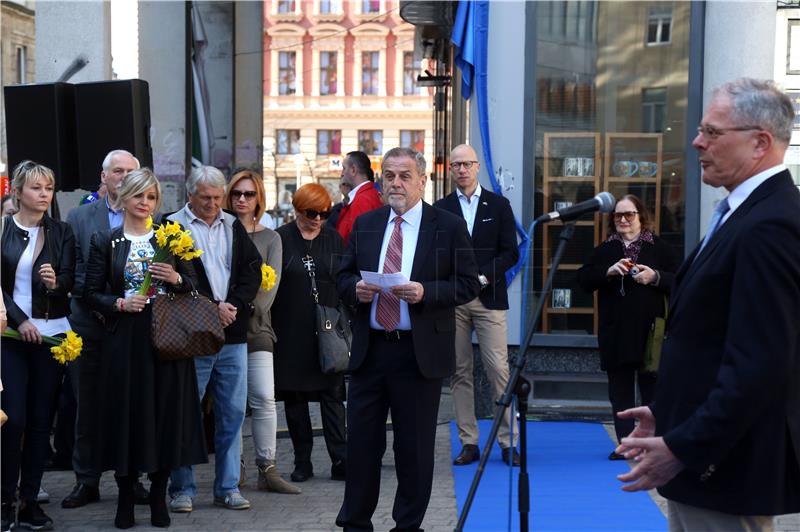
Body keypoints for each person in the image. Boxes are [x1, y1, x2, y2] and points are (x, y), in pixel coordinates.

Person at [617, 78, 800, 529]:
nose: (698, 142)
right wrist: (667, 413)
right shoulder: (743, 212)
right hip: (704, 461)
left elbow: (758, 362)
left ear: (760, 142)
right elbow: (709, 338)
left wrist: (684, 447)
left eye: (713, 133)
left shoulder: (770, 224)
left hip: (725, 469)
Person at [336, 147, 480, 531]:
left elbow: (467, 283)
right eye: (389, 176)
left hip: (418, 356)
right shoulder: (367, 223)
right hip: (371, 351)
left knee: (413, 451)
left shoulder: (446, 226)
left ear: (422, 180)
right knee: (363, 445)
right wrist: (356, 290)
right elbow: (342, 276)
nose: (395, 183)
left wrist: (425, 292)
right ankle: (355, 523)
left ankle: (407, 526)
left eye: (404, 176)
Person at [84, 168, 207, 529]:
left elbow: (194, 285)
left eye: (151, 197)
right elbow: (90, 292)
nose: (145, 203)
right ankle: (125, 494)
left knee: (166, 415)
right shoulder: (105, 241)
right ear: (123, 199)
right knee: (127, 416)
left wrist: (177, 277)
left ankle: (158, 494)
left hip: (166, 338)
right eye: (139, 196)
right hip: (125, 340)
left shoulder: (171, 236)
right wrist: (119, 304)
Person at [167, 165, 261, 513]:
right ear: (190, 195)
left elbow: (251, 270)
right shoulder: (172, 226)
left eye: (217, 197)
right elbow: (175, 282)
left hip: (232, 335)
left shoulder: (233, 225)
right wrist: (212, 308)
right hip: (192, 336)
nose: (213, 204)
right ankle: (182, 488)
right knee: (186, 413)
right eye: (205, 198)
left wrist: (234, 305)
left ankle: (227, 487)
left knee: (233, 414)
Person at [63, 149, 145, 509]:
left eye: (130, 171)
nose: (124, 177)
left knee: (131, 404)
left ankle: (133, 478)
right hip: (89, 323)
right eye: (117, 171)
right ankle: (87, 479)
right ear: (104, 176)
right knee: (88, 404)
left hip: (133, 328)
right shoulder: (80, 217)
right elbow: (74, 268)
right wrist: (102, 304)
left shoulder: (148, 215)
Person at [434, 144, 521, 467]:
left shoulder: (498, 205)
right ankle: (468, 442)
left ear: (477, 167)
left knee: (499, 370)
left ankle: (508, 442)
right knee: (459, 372)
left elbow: (511, 252)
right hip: (454, 300)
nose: (461, 170)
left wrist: (484, 277)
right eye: (455, 165)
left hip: (489, 297)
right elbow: (437, 253)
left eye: (466, 164)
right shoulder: (440, 209)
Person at [1, 161, 76, 531]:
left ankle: (30, 501)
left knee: (40, 423)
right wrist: (19, 320)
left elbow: (72, 281)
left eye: (48, 187)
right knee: (11, 419)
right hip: (10, 336)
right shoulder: (3, 231)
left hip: (52, 337)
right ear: (18, 192)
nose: (44, 194)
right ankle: (4, 500)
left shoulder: (62, 232)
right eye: (35, 188)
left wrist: (55, 283)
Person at [577, 194, 678, 459]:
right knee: (619, 393)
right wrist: (608, 272)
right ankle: (625, 445)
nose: (622, 220)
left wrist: (655, 277)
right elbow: (584, 280)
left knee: (651, 393)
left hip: (651, 333)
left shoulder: (660, 248)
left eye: (629, 214)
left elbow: (682, 281)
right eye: (618, 215)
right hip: (616, 332)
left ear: (641, 217)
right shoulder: (605, 249)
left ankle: (650, 445)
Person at [223, 170, 300, 495]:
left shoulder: (271, 238)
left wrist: (234, 309)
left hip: (256, 329)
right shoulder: (221, 232)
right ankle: (233, 467)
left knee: (265, 399)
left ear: (259, 199)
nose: (242, 199)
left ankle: (267, 467)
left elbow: (270, 292)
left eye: (249, 194)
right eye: (237, 194)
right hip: (222, 330)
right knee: (232, 404)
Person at [272, 183, 347, 483]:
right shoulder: (282, 238)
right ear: (297, 210)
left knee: (332, 395)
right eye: (311, 213)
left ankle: (341, 458)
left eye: (324, 213)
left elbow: (343, 279)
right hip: (290, 327)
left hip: (326, 327)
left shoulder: (333, 239)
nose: (318, 219)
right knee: (295, 398)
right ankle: (302, 460)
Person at [334, 151, 383, 244]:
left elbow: (358, 243)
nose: (342, 173)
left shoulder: (363, 200)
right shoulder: (368, 194)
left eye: (344, 168)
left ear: (353, 170)